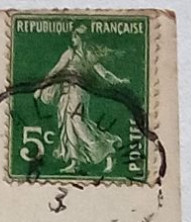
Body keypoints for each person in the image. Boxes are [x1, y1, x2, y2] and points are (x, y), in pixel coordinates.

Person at [35, 26, 130, 174]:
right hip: (68, 94)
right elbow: (55, 72)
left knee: (77, 123)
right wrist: (41, 87)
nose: (77, 38)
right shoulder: (74, 54)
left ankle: (106, 150)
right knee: (70, 125)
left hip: (77, 93)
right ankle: (75, 162)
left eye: (79, 36)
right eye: (77, 35)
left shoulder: (79, 54)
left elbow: (103, 73)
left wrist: (118, 80)